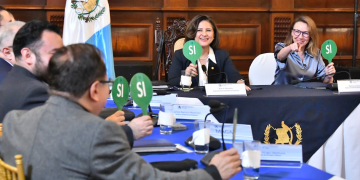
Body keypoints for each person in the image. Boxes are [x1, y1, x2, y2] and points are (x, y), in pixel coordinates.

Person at [0, 43, 242, 180]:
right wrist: (212, 173)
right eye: (107, 84)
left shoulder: (14, 121)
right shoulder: (97, 134)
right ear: (95, 90)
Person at [0, 20, 152, 141]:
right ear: (27, 55)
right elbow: (68, 142)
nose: (62, 60)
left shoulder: (15, 80)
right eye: (55, 53)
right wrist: (129, 131)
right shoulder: (34, 92)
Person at [168, 15, 250, 91]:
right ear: (193, 34)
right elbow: (171, 83)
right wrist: (186, 76)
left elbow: (234, 76)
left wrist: (239, 82)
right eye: (199, 30)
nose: (204, 34)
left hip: (215, 102)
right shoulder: (180, 55)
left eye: (208, 30)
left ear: (214, 35)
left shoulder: (222, 55)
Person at [273, 16, 336, 85]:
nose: (300, 37)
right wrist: (290, 47)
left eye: (305, 33)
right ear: (291, 32)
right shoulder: (281, 47)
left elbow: (325, 81)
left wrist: (329, 76)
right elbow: (280, 57)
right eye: (297, 31)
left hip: (305, 94)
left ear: (311, 36)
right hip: (282, 93)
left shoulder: (316, 53)